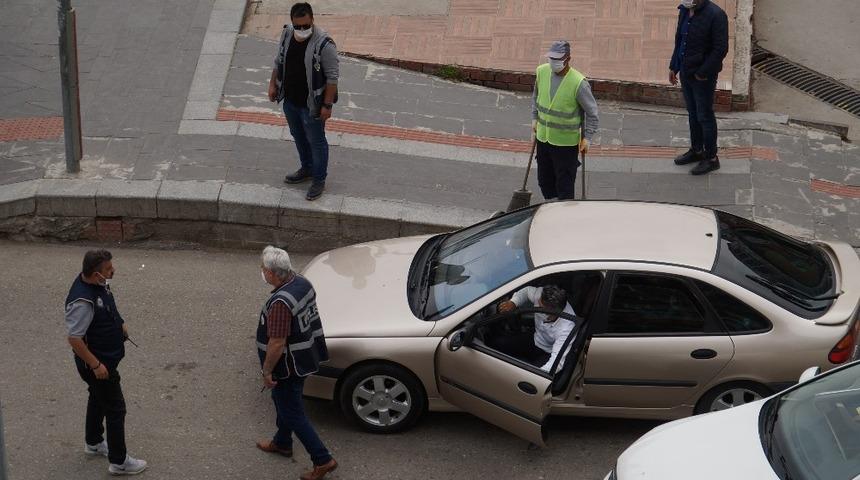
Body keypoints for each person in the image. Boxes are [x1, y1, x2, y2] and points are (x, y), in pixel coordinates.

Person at [255, 246, 338, 480]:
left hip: (287, 366)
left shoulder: (281, 303)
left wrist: (267, 370)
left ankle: (323, 460)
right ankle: (282, 443)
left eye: (263, 268)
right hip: (304, 359)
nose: (261, 271)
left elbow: (277, 343)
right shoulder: (302, 282)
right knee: (283, 401)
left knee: (292, 412)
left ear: (272, 273)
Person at [64, 249, 147, 475]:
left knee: (97, 397)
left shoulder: (98, 284)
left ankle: (93, 442)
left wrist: (119, 323)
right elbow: (74, 338)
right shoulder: (82, 301)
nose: (113, 271)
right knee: (115, 408)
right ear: (95, 274)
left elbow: (108, 304)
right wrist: (96, 365)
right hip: (99, 366)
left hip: (105, 360)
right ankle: (119, 462)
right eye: (108, 269)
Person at [268, 2, 339, 201]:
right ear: (292, 23)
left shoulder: (324, 44)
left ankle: (319, 179)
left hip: (312, 105)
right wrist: (272, 84)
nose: (301, 30)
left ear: (312, 20)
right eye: (297, 26)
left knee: (316, 141)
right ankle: (306, 168)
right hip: (290, 101)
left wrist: (327, 105)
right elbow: (278, 60)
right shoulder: (287, 34)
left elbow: (332, 77)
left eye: (305, 26)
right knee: (298, 135)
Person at [532, 40, 599, 201]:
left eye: (557, 59)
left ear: (568, 59)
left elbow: (592, 113)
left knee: (565, 185)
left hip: (565, 145)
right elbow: (535, 97)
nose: (553, 62)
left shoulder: (579, 83)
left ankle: (563, 213)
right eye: (551, 58)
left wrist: (587, 138)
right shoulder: (541, 72)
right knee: (544, 181)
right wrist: (534, 118)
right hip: (543, 139)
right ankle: (551, 205)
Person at [669, 0, 729, 175]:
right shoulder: (685, 11)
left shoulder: (716, 15)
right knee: (693, 113)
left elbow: (720, 49)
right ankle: (697, 150)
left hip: (702, 77)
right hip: (686, 73)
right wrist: (674, 66)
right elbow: (680, 40)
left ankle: (711, 157)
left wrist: (702, 73)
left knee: (704, 115)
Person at [496, 285, 577, 372]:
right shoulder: (541, 295)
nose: (537, 304)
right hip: (535, 338)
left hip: (548, 353)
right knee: (499, 344)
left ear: (553, 312)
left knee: (528, 374)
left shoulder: (567, 328)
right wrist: (513, 302)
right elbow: (526, 292)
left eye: (540, 307)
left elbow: (556, 363)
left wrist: (535, 375)